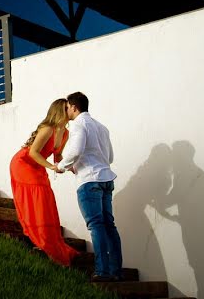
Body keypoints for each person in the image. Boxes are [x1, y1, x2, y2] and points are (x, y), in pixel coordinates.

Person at [56, 91, 123, 282]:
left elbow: (75, 151)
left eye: (67, 107)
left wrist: (61, 166)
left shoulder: (78, 125)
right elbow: (109, 158)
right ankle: (116, 271)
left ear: (74, 107)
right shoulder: (102, 127)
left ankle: (102, 272)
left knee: (96, 226)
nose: (66, 110)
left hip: (89, 181)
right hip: (106, 179)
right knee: (109, 226)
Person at [9, 98, 79, 266]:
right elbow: (33, 152)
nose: (71, 110)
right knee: (38, 197)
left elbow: (58, 156)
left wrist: (71, 168)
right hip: (23, 164)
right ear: (59, 110)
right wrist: (51, 166)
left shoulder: (66, 133)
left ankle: (47, 238)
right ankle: (37, 238)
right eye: (67, 107)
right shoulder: (48, 129)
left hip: (38, 165)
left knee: (46, 197)